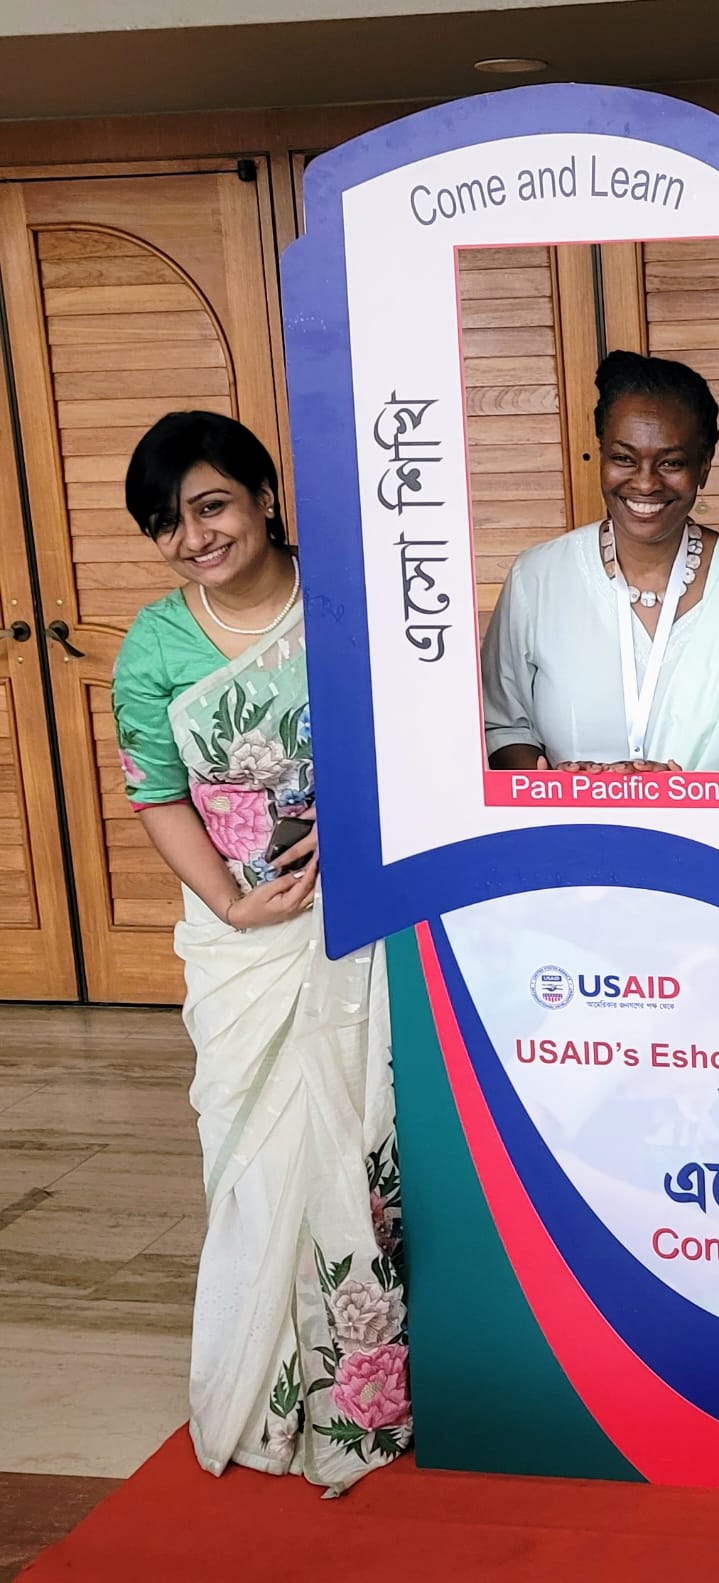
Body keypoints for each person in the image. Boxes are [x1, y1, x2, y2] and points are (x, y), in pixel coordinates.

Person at [112, 412, 409, 1488]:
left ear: (264, 496)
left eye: (210, 505)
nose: (193, 536)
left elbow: (416, 733)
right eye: (168, 523)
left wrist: (363, 819)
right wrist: (231, 906)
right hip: (242, 937)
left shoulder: (352, 598)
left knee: (365, 1141)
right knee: (257, 1152)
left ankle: (369, 1395)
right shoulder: (154, 644)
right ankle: (264, 1382)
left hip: (365, 917)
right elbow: (155, 791)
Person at [481, 352, 719, 772]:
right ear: (601, 457)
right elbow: (503, 726)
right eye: (624, 458)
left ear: (704, 466)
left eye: (670, 462)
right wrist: (556, 784)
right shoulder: (538, 579)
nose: (645, 482)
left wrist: (700, 801)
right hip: (574, 835)